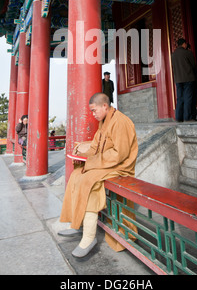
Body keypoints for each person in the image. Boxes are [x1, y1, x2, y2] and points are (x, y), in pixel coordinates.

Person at [58, 92, 138, 258]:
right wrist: (83, 154)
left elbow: (119, 154)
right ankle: (76, 222)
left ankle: (89, 237)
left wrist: (92, 162)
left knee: (89, 180)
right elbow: (96, 146)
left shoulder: (120, 121)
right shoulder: (104, 122)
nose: (93, 114)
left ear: (104, 106)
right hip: (106, 164)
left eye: (94, 110)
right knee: (77, 175)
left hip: (120, 166)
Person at [171, 38, 197, 122]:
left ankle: (179, 118)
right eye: (186, 44)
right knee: (188, 98)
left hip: (178, 80)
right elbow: (193, 65)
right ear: (184, 44)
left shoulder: (173, 55)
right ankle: (188, 117)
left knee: (180, 98)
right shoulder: (187, 53)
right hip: (188, 78)